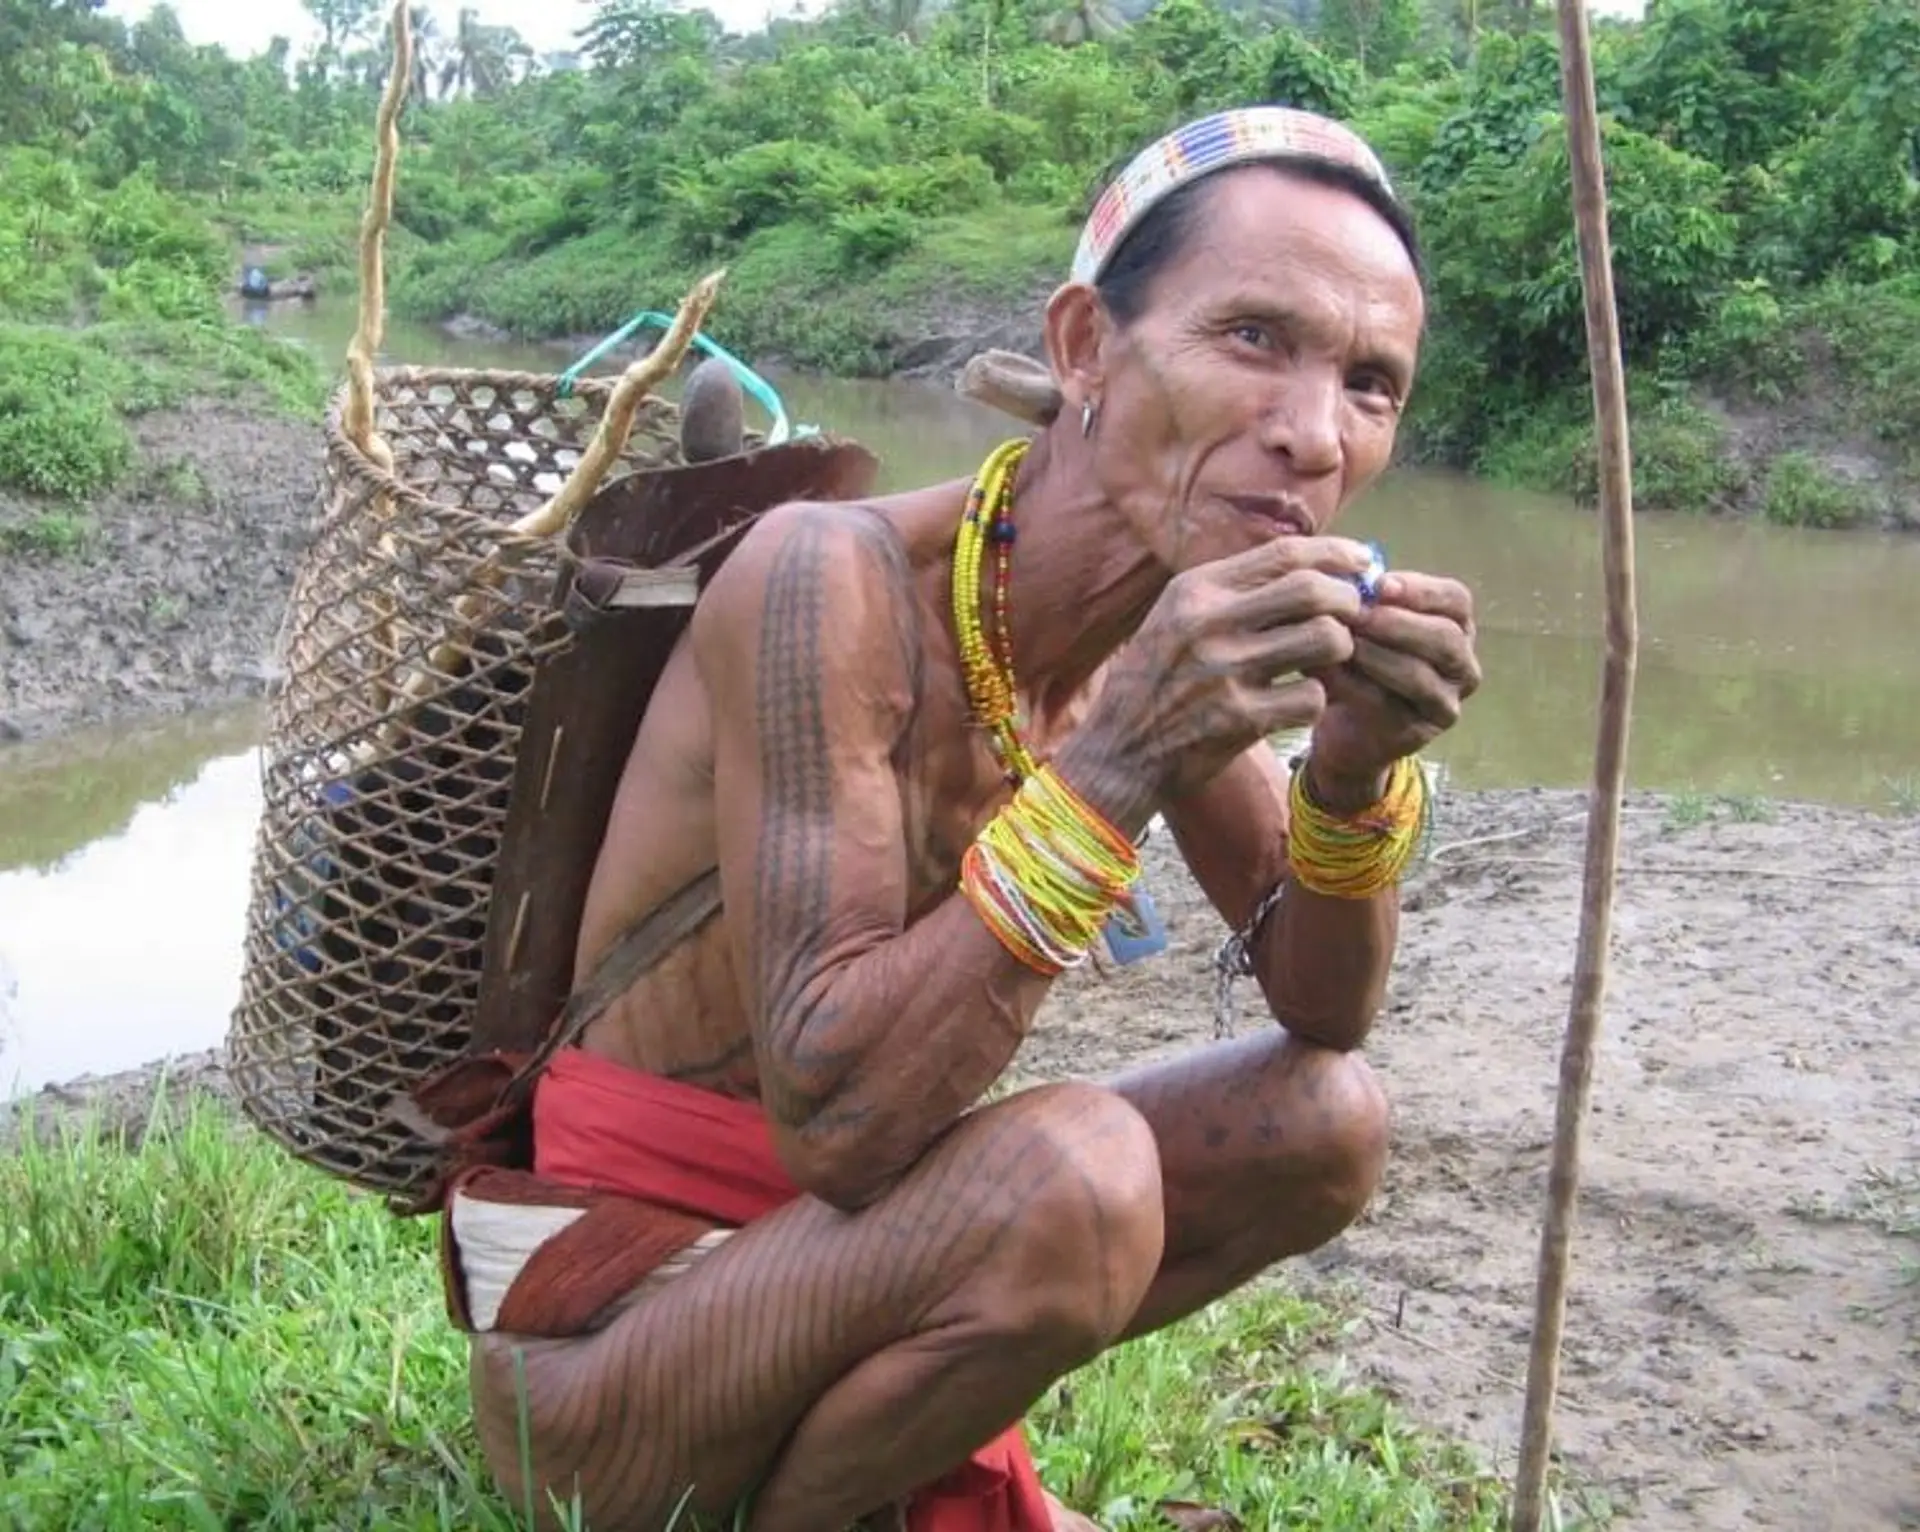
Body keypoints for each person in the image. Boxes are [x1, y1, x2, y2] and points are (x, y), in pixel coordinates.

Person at [439, 104, 1482, 1532]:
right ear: (1084, 351)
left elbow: (1324, 1011)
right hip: (617, 1344)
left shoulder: (1149, 643)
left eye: (1370, 382)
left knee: (1328, 1121)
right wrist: (1114, 765)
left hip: (840, 1271)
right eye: (1252, 338)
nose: (1310, 434)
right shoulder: (833, 582)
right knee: (1073, 1177)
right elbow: (844, 1131)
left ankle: (863, 1456)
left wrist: (1356, 770)